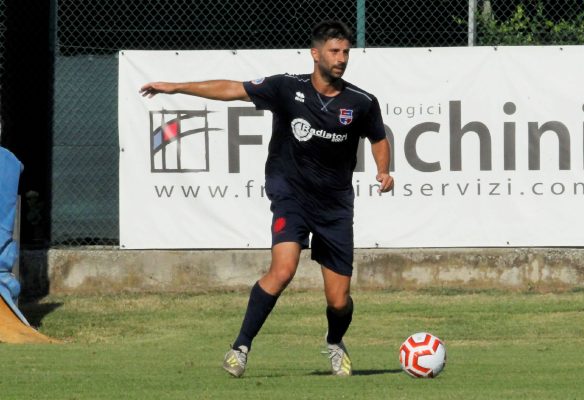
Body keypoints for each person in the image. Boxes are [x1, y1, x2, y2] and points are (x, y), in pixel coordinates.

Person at [140, 20, 394, 378]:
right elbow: (232, 89)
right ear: (315, 53)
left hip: (335, 206)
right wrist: (177, 87)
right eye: (334, 52)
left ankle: (335, 342)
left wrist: (384, 171)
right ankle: (240, 347)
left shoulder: (361, 102)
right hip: (290, 194)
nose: (341, 59)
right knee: (283, 270)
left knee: (338, 301)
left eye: (346, 52)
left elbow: (378, 138)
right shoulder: (287, 88)